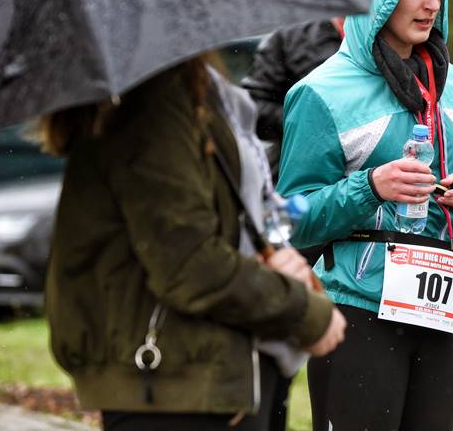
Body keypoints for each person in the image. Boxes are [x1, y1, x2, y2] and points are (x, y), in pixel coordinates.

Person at [40, 54, 346, 431]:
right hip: (176, 382)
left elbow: (212, 229)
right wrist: (304, 312)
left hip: (202, 373)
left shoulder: (193, 91)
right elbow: (189, 263)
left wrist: (271, 260)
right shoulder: (156, 105)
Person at [277, 0, 453, 430]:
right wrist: (370, 186)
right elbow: (292, 220)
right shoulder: (321, 93)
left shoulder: (449, 83)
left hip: (443, 308)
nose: (431, 3)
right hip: (360, 309)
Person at [241, 18, 344, 183]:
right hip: (302, 174)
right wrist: (305, 125)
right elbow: (253, 107)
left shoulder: (384, 34)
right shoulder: (290, 36)